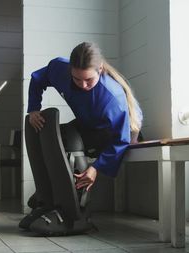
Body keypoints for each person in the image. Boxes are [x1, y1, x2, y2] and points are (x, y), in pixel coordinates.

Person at [21, 42, 143, 235]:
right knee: (54, 134)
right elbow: (37, 79)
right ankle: (49, 198)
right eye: (77, 79)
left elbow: (122, 140)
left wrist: (96, 168)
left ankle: (75, 214)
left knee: (70, 142)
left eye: (88, 80)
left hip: (122, 132)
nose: (83, 85)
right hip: (91, 124)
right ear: (70, 70)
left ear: (100, 70)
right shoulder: (59, 69)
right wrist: (34, 107)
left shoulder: (112, 97)